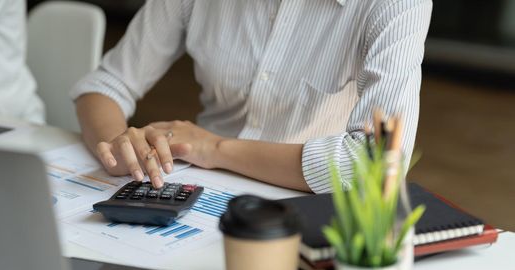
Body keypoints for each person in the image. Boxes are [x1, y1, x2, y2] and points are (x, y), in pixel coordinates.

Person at [72, 0, 433, 193]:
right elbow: (105, 86)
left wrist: (213, 149)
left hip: (304, 204)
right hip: (195, 190)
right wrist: (118, 147)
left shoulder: (397, 4)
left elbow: (374, 165)